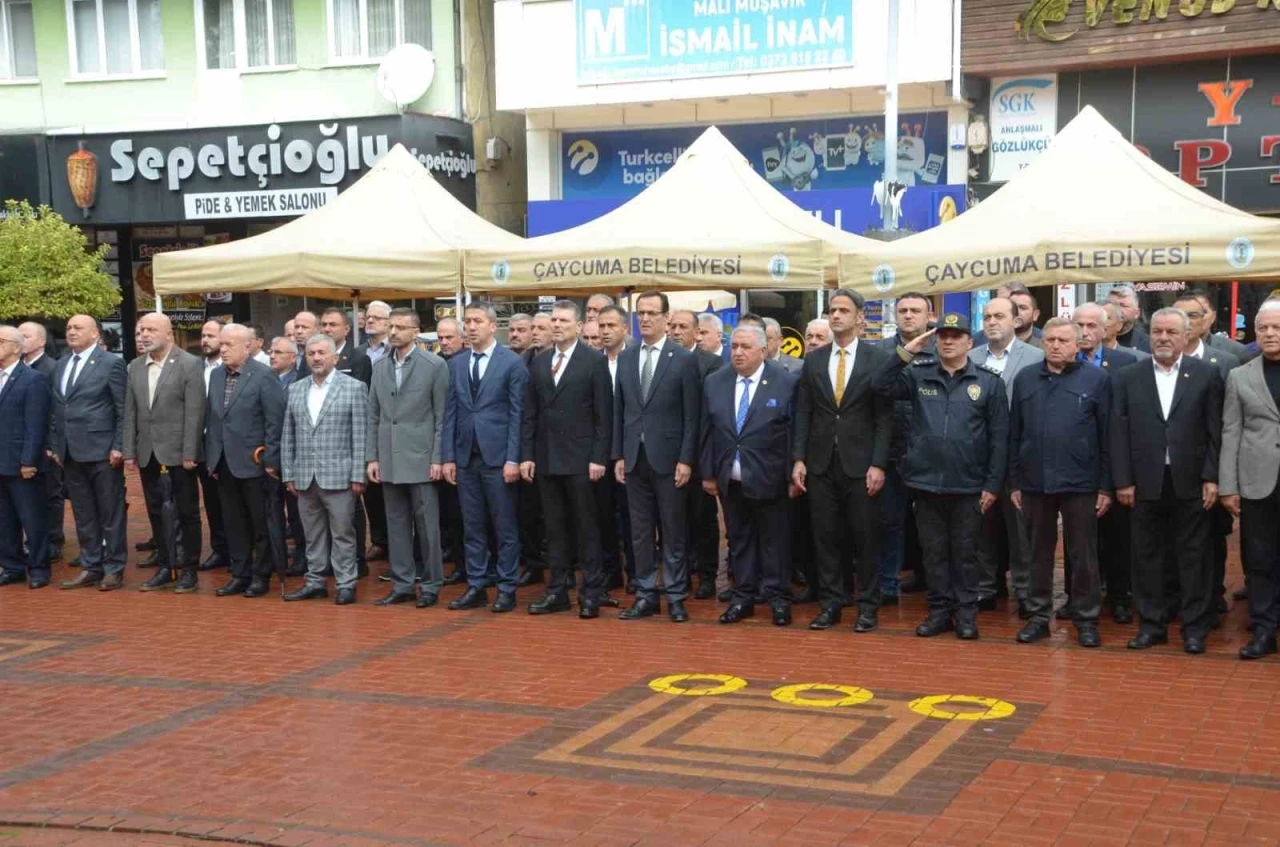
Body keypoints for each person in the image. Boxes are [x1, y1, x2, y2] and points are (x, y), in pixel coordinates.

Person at [873, 314, 1007, 640]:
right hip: (926, 482)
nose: (948, 341)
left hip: (969, 484)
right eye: (943, 335)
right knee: (933, 554)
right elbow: (879, 384)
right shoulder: (918, 374)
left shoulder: (988, 382)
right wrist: (907, 351)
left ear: (969, 342)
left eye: (956, 336)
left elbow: (999, 439)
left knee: (965, 554)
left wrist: (992, 484)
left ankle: (966, 615)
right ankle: (939, 612)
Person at [1111, 308, 1222, 654]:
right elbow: (1118, 432)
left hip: (1190, 480)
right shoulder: (1129, 376)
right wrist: (1123, 481)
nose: (1163, 338)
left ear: (1186, 336)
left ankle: (1194, 629)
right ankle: (1151, 625)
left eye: (1171, 332)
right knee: (1146, 557)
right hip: (1144, 481)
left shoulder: (1206, 374)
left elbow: (1215, 431)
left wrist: (1211, 476)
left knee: (1193, 558)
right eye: (1157, 331)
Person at [792, 288, 892, 632]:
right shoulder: (814, 360)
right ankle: (831, 603)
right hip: (820, 463)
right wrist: (799, 458)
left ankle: (868, 606)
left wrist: (879, 463)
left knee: (866, 538)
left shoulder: (876, 358)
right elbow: (803, 411)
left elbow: (884, 417)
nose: (835, 316)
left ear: (859, 317)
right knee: (825, 537)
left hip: (861, 464)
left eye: (843, 310)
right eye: (832, 310)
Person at [1009, 318, 1111, 648]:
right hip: (1034, 480)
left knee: (1083, 555)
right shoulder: (1026, 378)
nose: (1055, 345)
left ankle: (1086, 619)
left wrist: (1105, 486)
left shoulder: (1096, 379)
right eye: (1050, 339)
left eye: (1063, 341)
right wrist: (1014, 481)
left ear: (1078, 345)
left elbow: (1108, 435)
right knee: (1037, 553)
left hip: (1081, 481)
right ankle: (1038, 617)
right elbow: (1014, 433)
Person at [520, 300, 614, 617]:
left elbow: (603, 415)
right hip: (547, 458)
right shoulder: (540, 363)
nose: (557, 325)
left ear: (578, 325)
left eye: (563, 320)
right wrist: (527, 455)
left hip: (582, 460)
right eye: (554, 320)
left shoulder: (594, 361)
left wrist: (599, 457)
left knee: (586, 529)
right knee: (555, 530)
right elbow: (530, 414)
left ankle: (591, 593)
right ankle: (557, 591)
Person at [701, 325, 800, 625]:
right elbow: (707, 430)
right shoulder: (715, 381)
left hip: (771, 478)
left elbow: (795, 431)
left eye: (745, 347)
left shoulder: (785, 381)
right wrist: (708, 473)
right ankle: (742, 597)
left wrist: (793, 472)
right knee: (739, 540)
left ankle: (778, 598)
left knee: (775, 542)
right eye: (734, 346)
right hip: (731, 479)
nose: (738, 353)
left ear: (763, 350)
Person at [613, 291, 700, 624]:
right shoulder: (626, 357)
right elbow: (620, 410)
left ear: (666, 317)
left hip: (670, 458)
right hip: (635, 457)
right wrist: (619, 454)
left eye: (652, 313)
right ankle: (646, 593)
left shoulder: (683, 359)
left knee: (673, 530)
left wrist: (686, 459)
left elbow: (692, 415)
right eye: (641, 313)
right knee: (639, 531)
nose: (645, 319)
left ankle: (676, 595)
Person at [442, 301, 527, 613]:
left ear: (493, 326)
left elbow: (518, 414)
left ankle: (506, 588)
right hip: (466, 457)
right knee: (472, 526)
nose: (471, 326)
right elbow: (450, 413)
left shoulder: (512, 363)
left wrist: (513, 458)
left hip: (499, 457)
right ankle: (476, 584)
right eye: (467, 321)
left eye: (477, 321)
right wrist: (448, 457)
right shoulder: (457, 363)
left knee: (504, 527)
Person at [367, 308, 449, 607]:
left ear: (416, 332)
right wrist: (372, 457)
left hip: (421, 457)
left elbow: (441, 416)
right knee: (396, 524)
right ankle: (402, 583)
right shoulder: (380, 366)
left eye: (400, 327)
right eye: (391, 326)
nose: (393, 332)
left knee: (428, 527)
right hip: (389, 457)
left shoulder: (434, 365)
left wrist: (438, 458)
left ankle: (431, 584)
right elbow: (373, 415)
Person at [968, 298, 1043, 614]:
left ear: (1016, 320)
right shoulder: (971, 357)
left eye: (999, 316)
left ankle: (1025, 590)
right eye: (987, 316)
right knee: (982, 524)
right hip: (980, 455)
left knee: (1021, 527)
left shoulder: (1036, 357)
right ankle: (986, 587)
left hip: (1020, 456)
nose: (992, 322)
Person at [281, 335, 368, 605]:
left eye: (321, 353)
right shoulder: (296, 389)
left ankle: (346, 583)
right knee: (312, 534)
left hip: (340, 476)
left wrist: (358, 475)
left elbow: (360, 435)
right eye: (311, 353)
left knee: (343, 533)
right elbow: (288, 435)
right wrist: (289, 473)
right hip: (305, 475)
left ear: (334, 357)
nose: (316, 358)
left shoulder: (354, 388)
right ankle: (315, 581)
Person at [123, 313, 206, 593]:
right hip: (148, 452)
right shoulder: (135, 366)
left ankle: (189, 570)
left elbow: (194, 413)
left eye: (151, 329)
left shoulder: (189, 364)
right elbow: (131, 411)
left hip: (179, 454)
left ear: (169, 333)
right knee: (156, 512)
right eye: (141, 330)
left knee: (187, 513)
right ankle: (165, 566)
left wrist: (190, 452)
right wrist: (129, 450)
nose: (144, 335)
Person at [204, 324, 284, 599]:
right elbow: (213, 419)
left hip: (255, 461)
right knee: (233, 523)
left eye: (229, 345)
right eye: (222, 344)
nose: (223, 349)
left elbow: (274, 421)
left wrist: (271, 459)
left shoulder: (264, 375)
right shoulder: (216, 375)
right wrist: (212, 460)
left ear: (248, 347)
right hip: (224, 462)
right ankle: (240, 574)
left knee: (259, 523)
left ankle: (261, 575)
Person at [50, 316, 129, 592]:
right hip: (70, 453)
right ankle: (91, 566)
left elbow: (122, 409)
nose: (71, 331)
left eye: (78, 328)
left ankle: (114, 568)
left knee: (110, 514)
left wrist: (119, 445)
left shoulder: (111, 364)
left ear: (95, 334)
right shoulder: (61, 364)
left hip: (103, 452)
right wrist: (56, 445)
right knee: (83, 514)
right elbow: (57, 409)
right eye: (69, 328)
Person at [1220, 302, 1280, 659]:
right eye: (1263, 328)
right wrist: (1228, 485)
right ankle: (1263, 630)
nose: (1270, 334)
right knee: (1259, 560)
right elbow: (1232, 431)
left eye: (1277, 327)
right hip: (1258, 482)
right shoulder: (1240, 376)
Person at [1075, 302, 1137, 624]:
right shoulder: (1062, 360)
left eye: (1091, 326)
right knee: (1078, 538)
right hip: (1075, 466)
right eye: (1079, 325)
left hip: (1114, 460)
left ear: (1105, 329)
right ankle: (1077, 597)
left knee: (1117, 536)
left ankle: (1119, 597)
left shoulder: (1125, 363)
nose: (1084, 332)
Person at [878, 292, 935, 601]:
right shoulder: (881, 351)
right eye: (903, 310)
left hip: (929, 451)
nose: (909, 315)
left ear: (930, 316)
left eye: (915, 310)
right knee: (890, 521)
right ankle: (888, 584)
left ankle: (931, 580)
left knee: (931, 523)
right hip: (890, 449)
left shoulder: (942, 349)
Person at [669, 309, 722, 599]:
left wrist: (702, 461)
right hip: (667, 454)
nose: (676, 332)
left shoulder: (711, 364)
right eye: (673, 326)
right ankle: (681, 572)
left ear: (697, 332)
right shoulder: (664, 359)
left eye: (683, 327)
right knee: (674, 519)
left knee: (703, 519)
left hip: (700, 456)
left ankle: (707, 575)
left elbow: (708, 416)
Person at [320, 307, 378, 572]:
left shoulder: (358, 359)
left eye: (333, 324)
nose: (327, 329)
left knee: (351, 506)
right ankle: (330, 560)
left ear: (347, 329)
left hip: (346, 443)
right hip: (320, 445)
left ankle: (356, 560)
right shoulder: (314, 357)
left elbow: (362, 405)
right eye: (324, 324)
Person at [0, 325, 52, 589]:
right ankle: (12, 566)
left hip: (22, 463)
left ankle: (40, 568)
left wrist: (29, 461)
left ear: (16, 348)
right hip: (1, 462)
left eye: (0, 340)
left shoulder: (33, 379)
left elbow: (36, 424)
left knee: (33, 519)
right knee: (4, 520)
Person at [598, 305, 636, 592]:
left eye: (611, 325)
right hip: (598, 452)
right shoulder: (592, 361)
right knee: (602, 515)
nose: (605, 331)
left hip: (628, 451)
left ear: (625, 328)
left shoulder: (634, 360)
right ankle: (611, 571)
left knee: (631, 516)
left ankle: (635, 572)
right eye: (602, 326)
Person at [19, 321, 63, 564]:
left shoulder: (51, 368)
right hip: (22, 442)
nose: (21, 340)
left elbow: (55, 409)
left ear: (42, 341)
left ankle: (54, 540)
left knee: (51, 492)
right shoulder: (15, 368)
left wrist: (52, 444)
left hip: (46, 442)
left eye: (26, 336)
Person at [268, 335, 305, 575]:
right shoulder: (266, 379)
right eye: (271, 352)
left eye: (279, 352)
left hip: (293, 455)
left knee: (296, 512)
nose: (272, 356)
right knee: (273, 510)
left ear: (293, 358)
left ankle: (302, 555)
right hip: (270, 456)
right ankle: (276, 556)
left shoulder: (299, 382)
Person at [195, 319, 230, 574]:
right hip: (201, 442)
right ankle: (220, 548)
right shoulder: (196, 367)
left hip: (226, 444)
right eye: (203, 335)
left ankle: (239, 549)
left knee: (229, 500)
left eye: (211, 336)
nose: (205, 340)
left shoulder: (229, 367)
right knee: (211, 500)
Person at [1108, 284, 1151, 352]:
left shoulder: (1148, 344)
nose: (1118, 310)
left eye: (1123, 306)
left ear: (1136, 313)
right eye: (1113, 305)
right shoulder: (1097, 339)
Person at [291, 311, 318, 378]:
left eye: (304, 327)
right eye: (296, 327)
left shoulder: (322, 355)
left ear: (317, 330)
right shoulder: (289, 352)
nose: (299, 331)